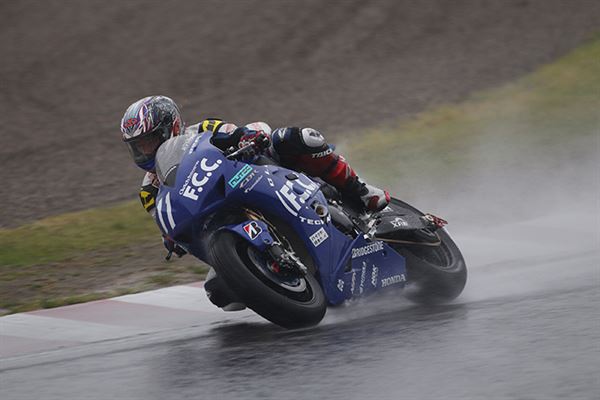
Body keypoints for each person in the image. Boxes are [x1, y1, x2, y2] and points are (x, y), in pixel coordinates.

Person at [121, 95, 390, 256]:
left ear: (171, 127)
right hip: (217, 214)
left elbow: (233, 131)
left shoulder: (200, 129)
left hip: (255, 174)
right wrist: (171, 238)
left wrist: (248, 136)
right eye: (139, 146)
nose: (146, 151)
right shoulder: (148, 191)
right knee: (219, 293)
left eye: (150, 141)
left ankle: (361, 191)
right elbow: (166, 220)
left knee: (297, 138)